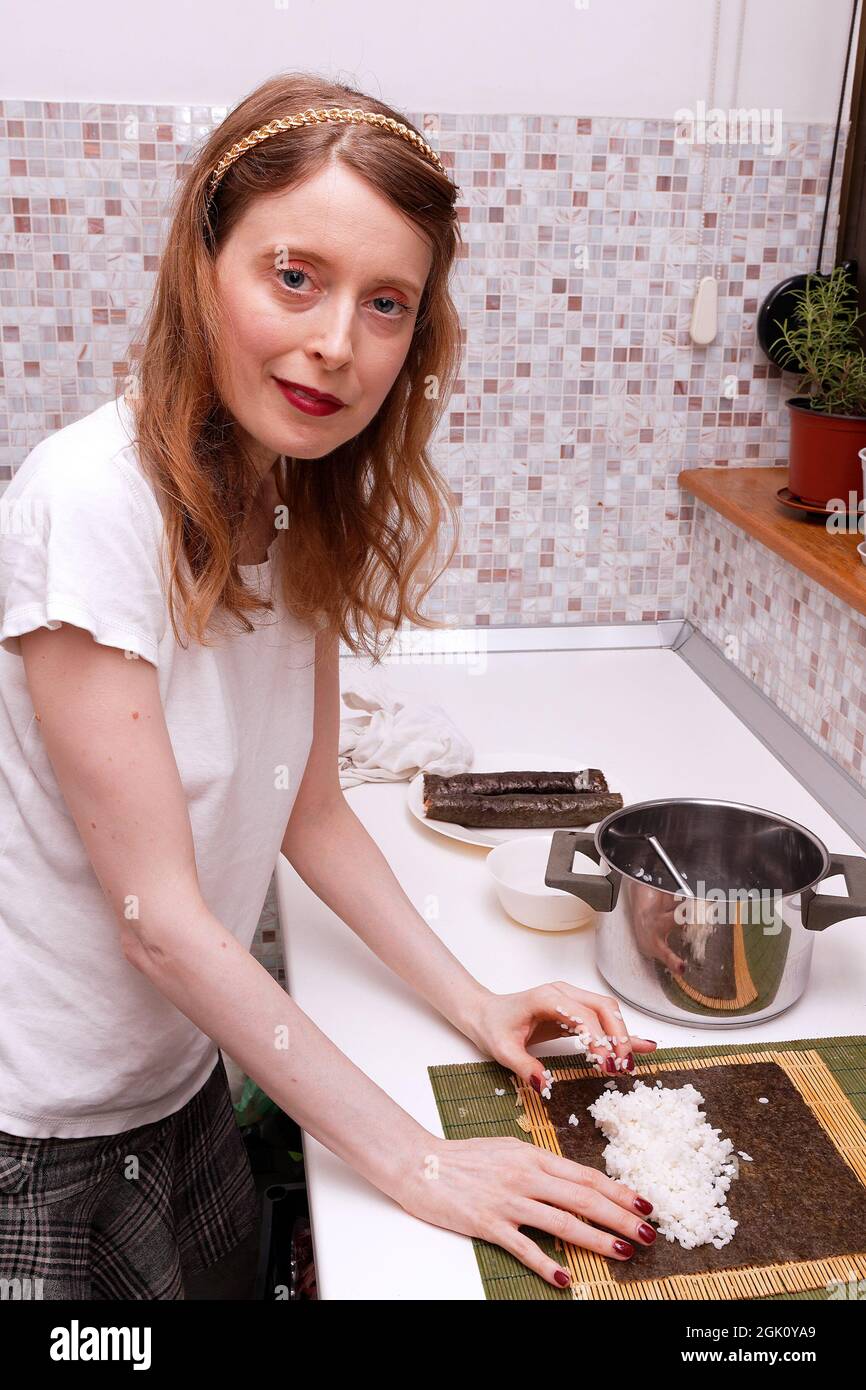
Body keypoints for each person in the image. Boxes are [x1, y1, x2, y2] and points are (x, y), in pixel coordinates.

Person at [0, 72, 658, 1300]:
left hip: (185, 1089)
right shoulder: (86, 501)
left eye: (386, 304)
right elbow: (160, 921)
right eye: (292, 276)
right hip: (31, 1140)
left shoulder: (289, 497)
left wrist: (476, 1002)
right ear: (204, 258)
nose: (335, 344)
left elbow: (309, 809)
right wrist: (418, 1164)